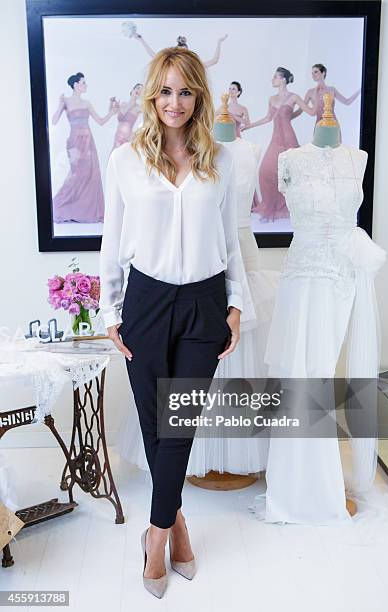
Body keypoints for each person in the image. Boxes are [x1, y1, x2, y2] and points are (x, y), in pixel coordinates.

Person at [99, 47, 246, 598]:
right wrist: (112, 311)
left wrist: (235, 304)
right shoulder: (123, 161)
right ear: (150, 95)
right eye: (164, 91)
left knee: (177, 424)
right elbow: (110, 244)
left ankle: (155, 537)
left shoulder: (222, 161)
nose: (174, 102)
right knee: (155, 424)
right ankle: (179, 524)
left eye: (185, 91)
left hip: (205, 301)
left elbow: (230, 242)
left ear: (199, 97)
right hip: (146, 302)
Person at [242, 67, 316, 222]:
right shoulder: (271, 99)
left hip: (289, 139)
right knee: (265, 171)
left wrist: (312, 99)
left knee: (293, 173)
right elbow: (268, 118)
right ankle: (270, 206)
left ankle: (295, 207)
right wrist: (249, 126)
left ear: (283, 79)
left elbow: (311, 112)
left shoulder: (294, 97)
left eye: (275, 77)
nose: (272, 79)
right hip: (276, 139)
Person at [51, 72, 118, 223]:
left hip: (88, 142)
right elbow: (54, 120)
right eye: (83, 83)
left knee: (91, 175)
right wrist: (59, 104)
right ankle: (58, 205)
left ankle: (85, 211)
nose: (85, 85)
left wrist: (112, 112)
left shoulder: (87, 103)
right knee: (77, 175)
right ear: (75, 85)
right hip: (75, 141)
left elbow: (101, 121)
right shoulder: (66, 101)